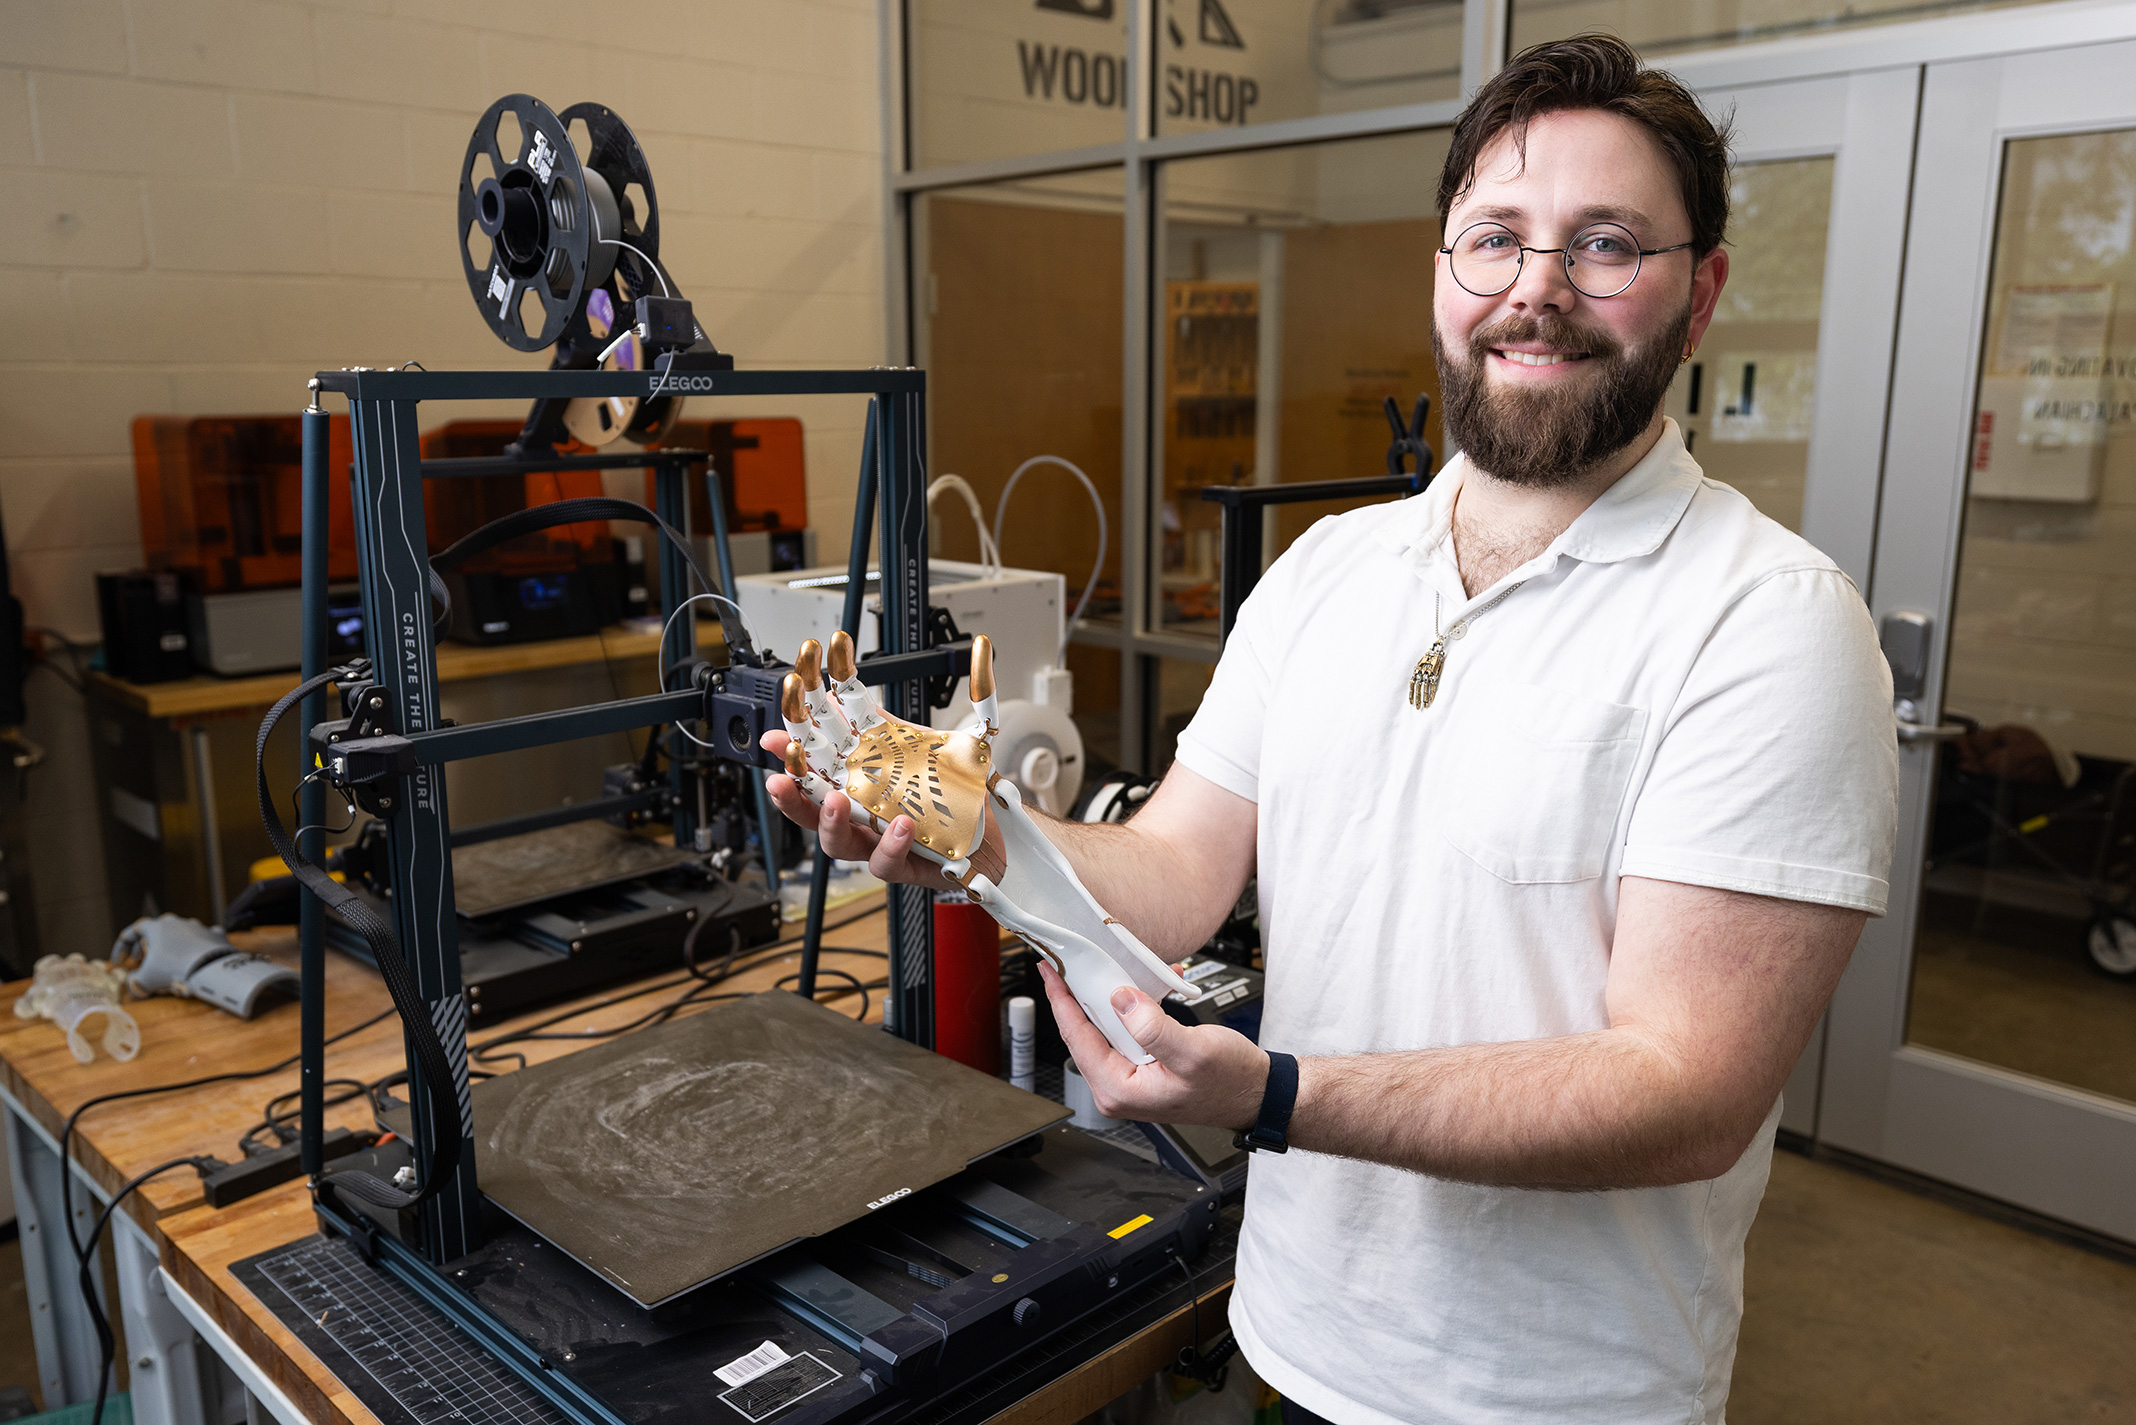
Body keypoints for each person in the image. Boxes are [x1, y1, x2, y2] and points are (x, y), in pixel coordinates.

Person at [767, 34, 1898, 1425]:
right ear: (1443, 273)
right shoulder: (1328, 574)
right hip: (1294, 1336)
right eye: (1496, 236)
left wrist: (1275, 1094)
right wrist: (967, 825)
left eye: (1605, 243)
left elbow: (1684, 1090)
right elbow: (1174, 872)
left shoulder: (1770, 624)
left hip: (1555, 1395)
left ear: (1701, 290)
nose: (1537, 288)